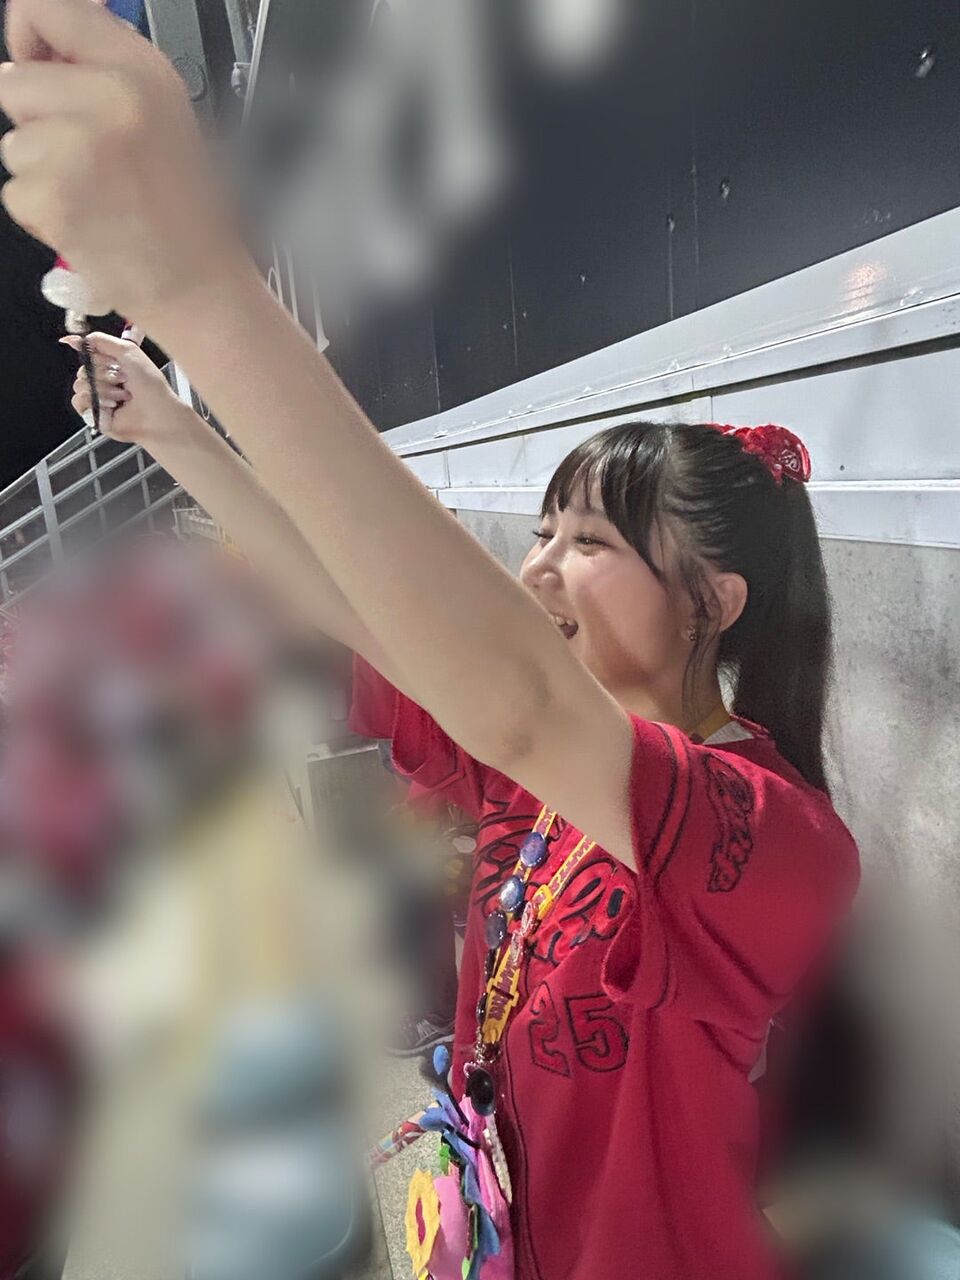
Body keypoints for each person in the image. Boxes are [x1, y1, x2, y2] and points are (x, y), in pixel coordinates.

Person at [0, 3, 859, 1275]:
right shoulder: (538, 784)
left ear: (714, 601)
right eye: (544, 530)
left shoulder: (776, 837)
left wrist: (203, 290)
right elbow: (357, 605)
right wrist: (176, 435)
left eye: (592, 542)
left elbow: (518, 696)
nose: (540, 565)